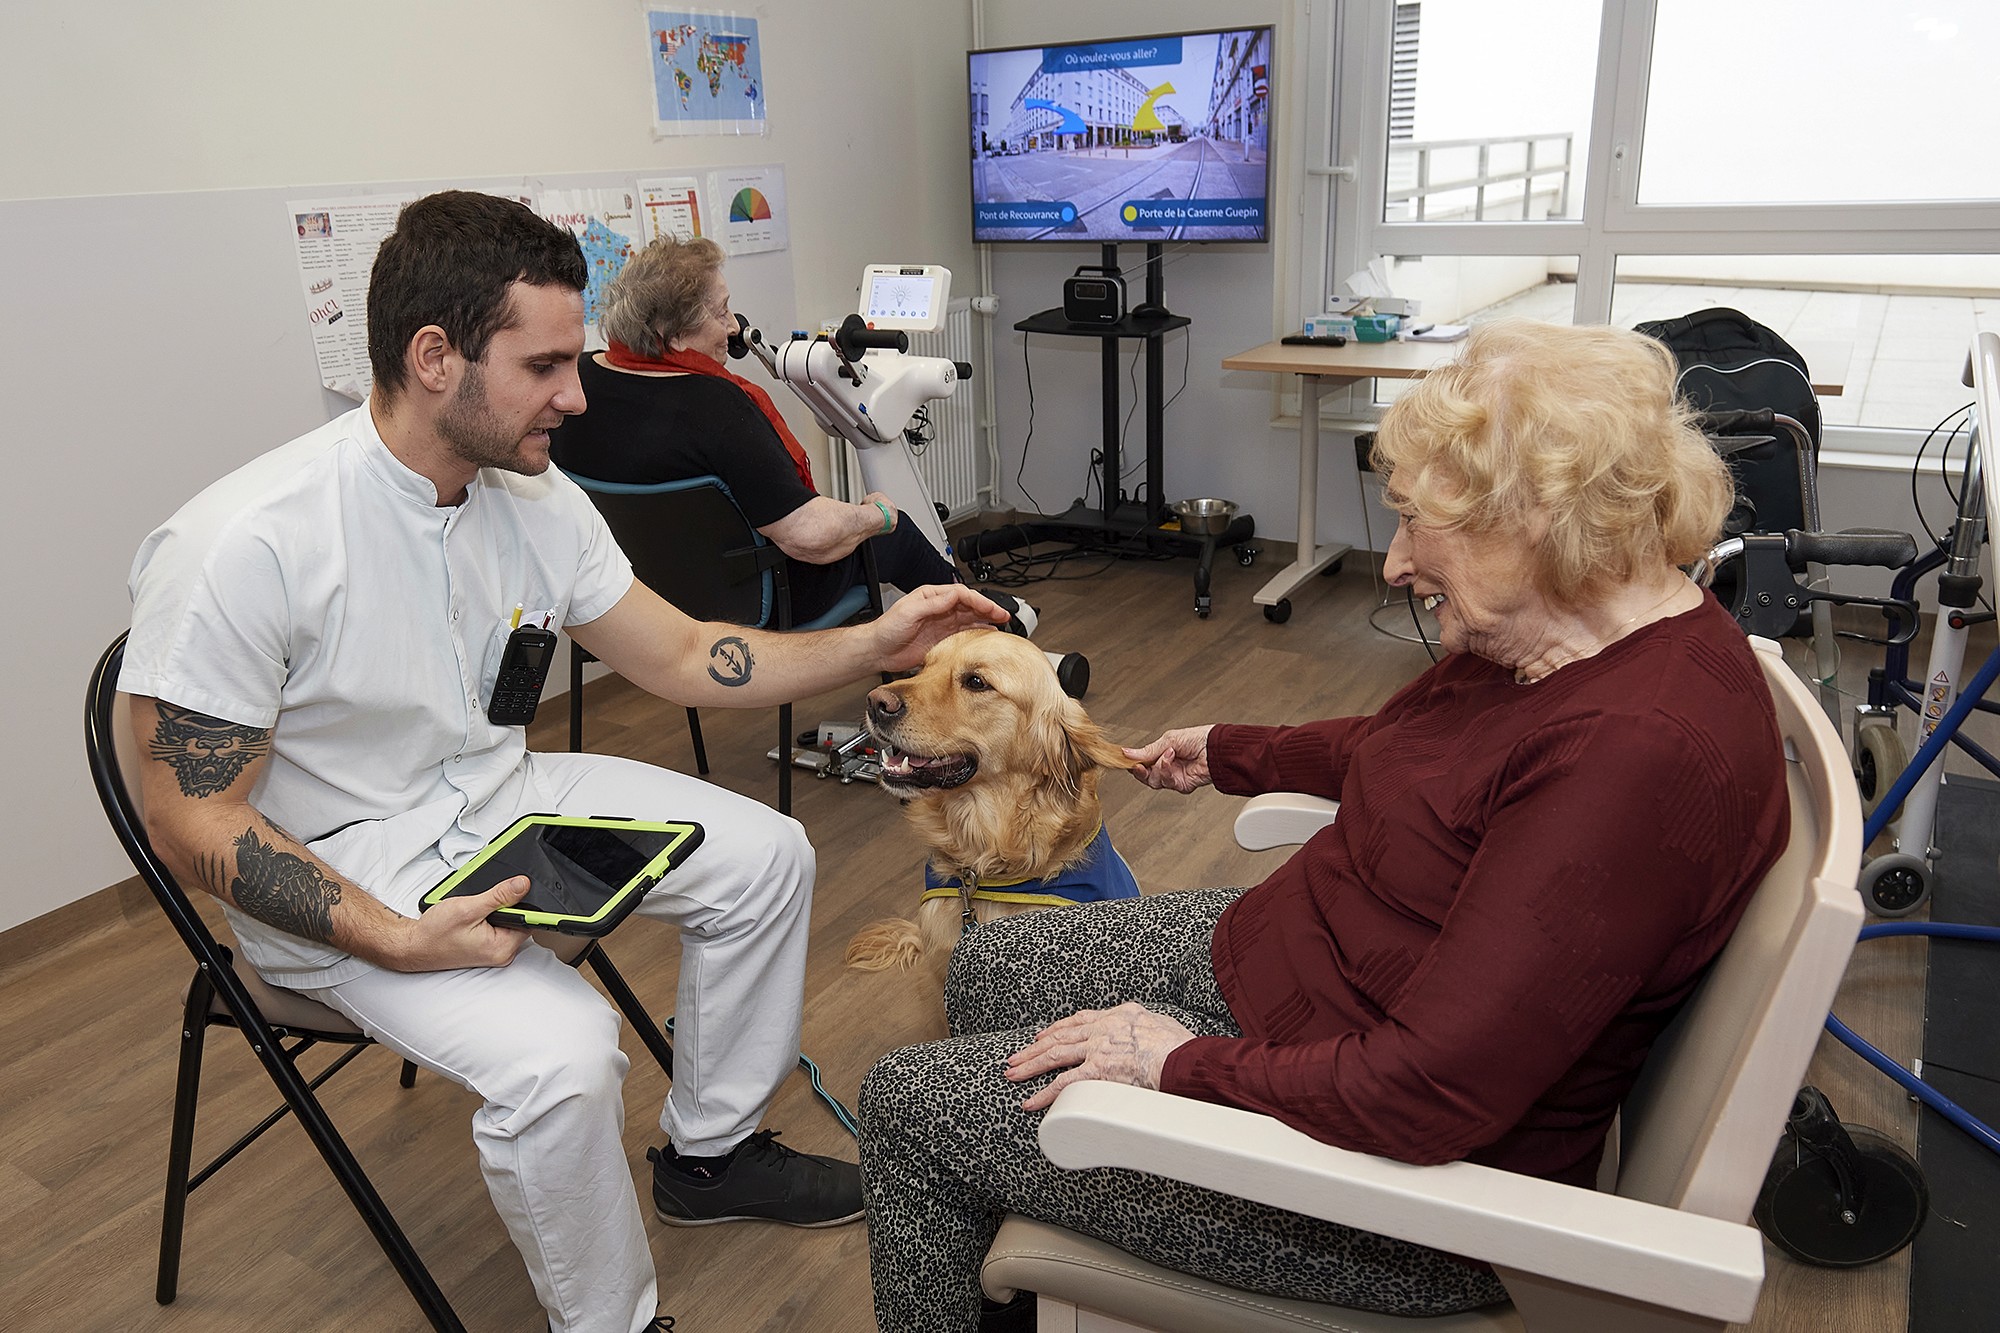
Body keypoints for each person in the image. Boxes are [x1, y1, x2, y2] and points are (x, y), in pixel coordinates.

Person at [120, 190, 1007, 1333]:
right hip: (343, 870)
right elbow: (190, 818)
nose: (576, 395)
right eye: (543, 365)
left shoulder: (530, 493)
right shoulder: (247, 544)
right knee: (565, 1051)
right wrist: (391, 934)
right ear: (434, 357)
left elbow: (684, 654)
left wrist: (872, 644)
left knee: (768, 853)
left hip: (497, 796)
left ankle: (711, 1156)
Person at [856, 320, 1792, 1330]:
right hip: (1302, 974)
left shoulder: (1632, 752)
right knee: (983, 970)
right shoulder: (1567, 630)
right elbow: (1408, 756)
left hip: (1388, 1189)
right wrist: (1231, 749)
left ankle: (998, 1200)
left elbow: (1426, 1090)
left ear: (1528, 517)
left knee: (910, 1107)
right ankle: (1022, 1240)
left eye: (1416, 525)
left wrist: (1171, 1065)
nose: (1390, 566)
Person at [548, 235, 1033, 632]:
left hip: (644, 597)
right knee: (899, 532)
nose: (734, 324)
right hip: (763, 598)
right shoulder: (716, 407)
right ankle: (989, 639)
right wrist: (876, 515)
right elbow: (811, 537)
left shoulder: (580, 381)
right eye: (720, 312)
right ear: (673, 335)